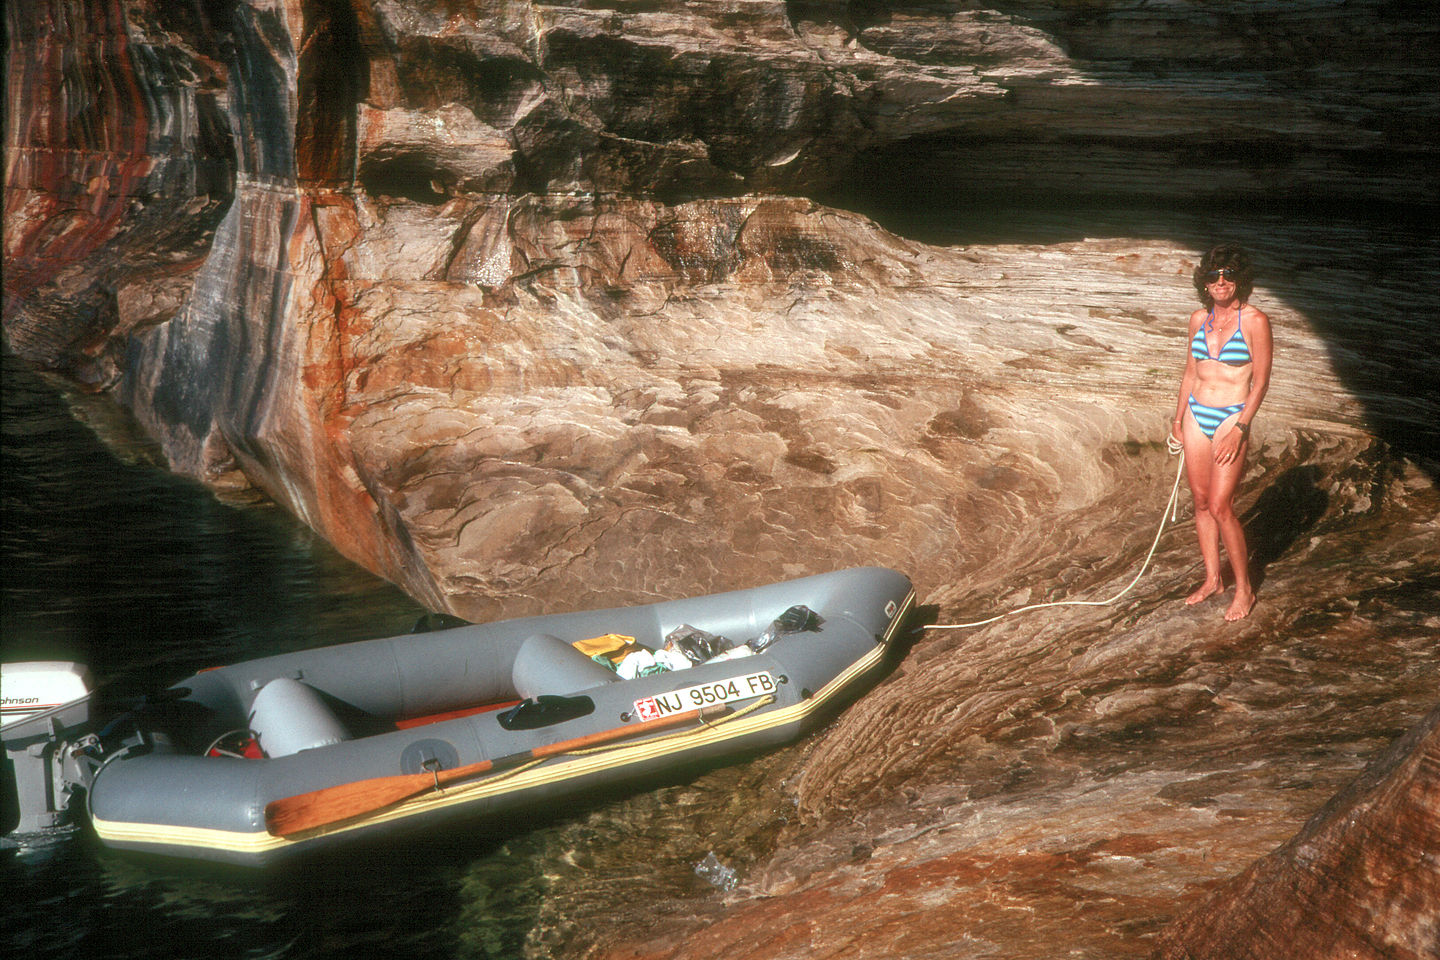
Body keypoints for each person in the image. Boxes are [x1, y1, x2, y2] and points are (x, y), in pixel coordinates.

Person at [1170, 243, 1272, 620]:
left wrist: (1240, 428)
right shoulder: (1199, 319)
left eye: (1229, 274)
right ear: (1205, 282)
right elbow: (1190, 373)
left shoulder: (1255, 321)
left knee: (1220, 505)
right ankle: (1214, 578)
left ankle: (1244, 589)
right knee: (1199, 502)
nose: (1221, 281)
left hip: (1232, 415)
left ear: (1239, 279)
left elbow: (1260, 382)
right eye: (1213, 275)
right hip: (1197, 413)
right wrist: (1178, 420)